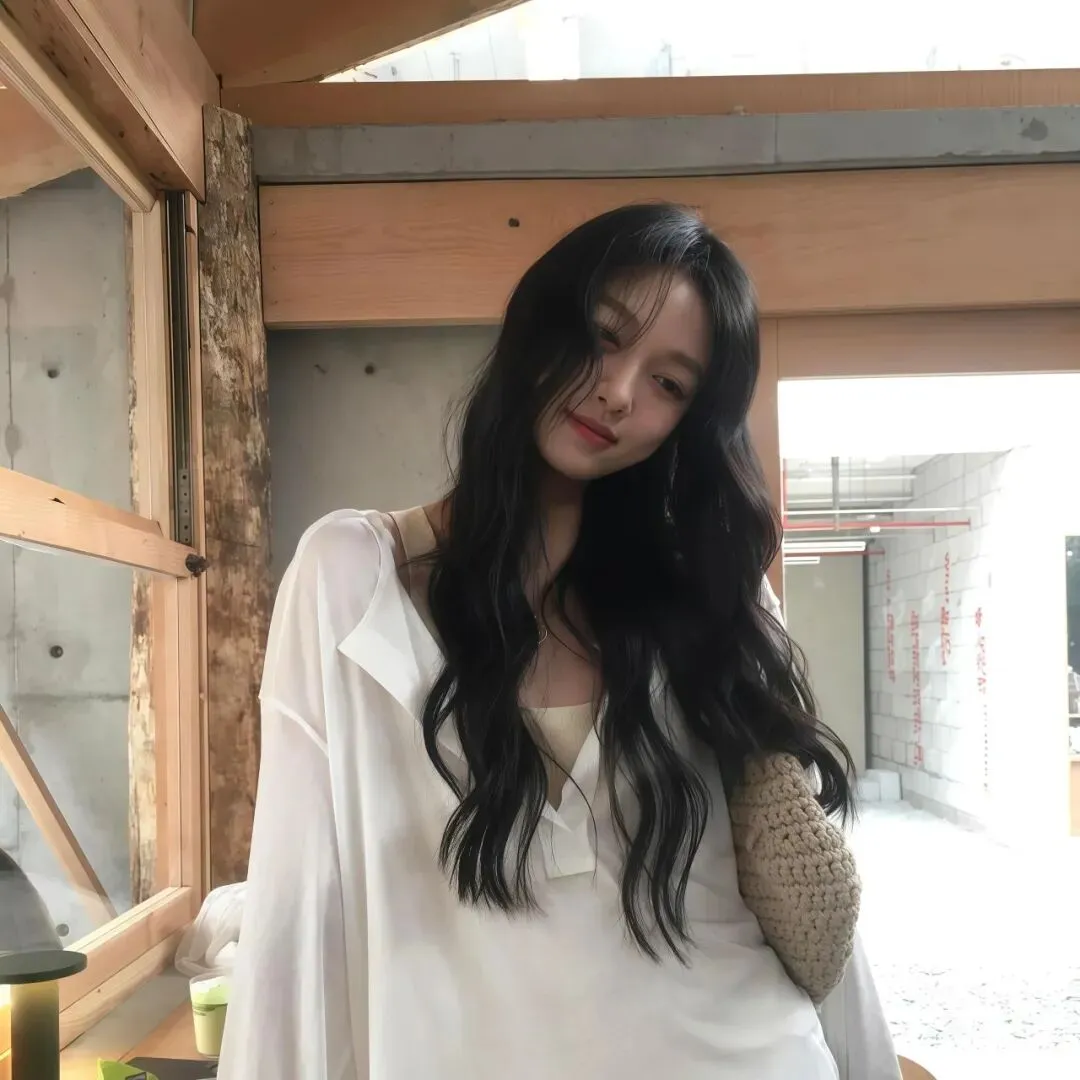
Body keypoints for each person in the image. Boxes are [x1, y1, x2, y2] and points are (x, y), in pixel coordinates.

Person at [218, 203, 899, 1080]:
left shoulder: (716, 599)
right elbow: (295, 911)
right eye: (605, 336)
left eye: (669, 384)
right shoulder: (350, 575)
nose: (619, 391)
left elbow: (800, 889)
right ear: (540, 317)